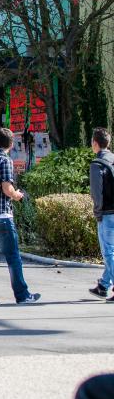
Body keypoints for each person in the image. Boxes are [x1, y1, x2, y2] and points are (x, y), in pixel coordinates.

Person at [0, 127, 41, 304]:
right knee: (13, 257)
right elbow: (6, 188)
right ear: (11, 145)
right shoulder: (5, 160)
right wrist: (17, 195)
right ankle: (22, 295)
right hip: (1, 215)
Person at [88, 127, 114, 302]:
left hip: (106, 213)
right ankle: (103, 286)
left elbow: (96, 193)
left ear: (95, 143)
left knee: (108, 253)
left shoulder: (97, 164)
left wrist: (97, 212)